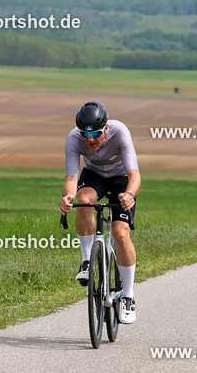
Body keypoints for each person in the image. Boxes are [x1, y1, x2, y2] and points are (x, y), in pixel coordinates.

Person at [58, 101, 141, 324]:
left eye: (95, 133)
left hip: (121, 178)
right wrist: (68, 197)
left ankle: (128, 296)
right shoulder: (74, 139)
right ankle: (86, 261)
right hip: (94, 176)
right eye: (85, 135)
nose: (90, 140)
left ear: (105, 129)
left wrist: (130, 195)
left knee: (120, 233)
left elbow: (134, 175)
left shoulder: (120, 132)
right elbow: (71, 179)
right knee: (84, 200)